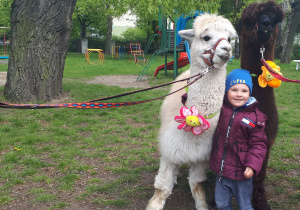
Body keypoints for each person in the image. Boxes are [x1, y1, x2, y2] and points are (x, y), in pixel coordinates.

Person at [210, 69, 268, 210]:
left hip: (242, 173)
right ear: (226, 91)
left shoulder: (255, 117)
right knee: (221, 204)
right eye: (234, 89)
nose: (239, 94)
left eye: (244, 90)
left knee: (245, 205)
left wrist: (252, 166)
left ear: (250, 93)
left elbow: (259, 144)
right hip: (221, 171)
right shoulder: (221, 109)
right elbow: (205, 103)